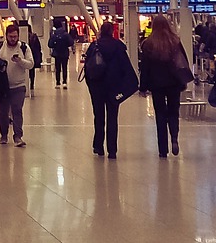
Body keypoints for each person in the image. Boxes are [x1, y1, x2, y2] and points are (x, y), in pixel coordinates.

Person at [82, 21, 136, 158]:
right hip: (113, 87)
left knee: (98, 116)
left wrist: (91, 85)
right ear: (112, 31)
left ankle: (98, 146)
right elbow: (126, 68)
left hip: (97, 86)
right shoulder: (118, 46)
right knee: (112, 117)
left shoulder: (94, 46)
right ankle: (112, 150)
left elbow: (87, 68)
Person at [140, 14, 189, 158]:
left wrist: (143, 87)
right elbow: (183, 61)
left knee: (160, 114)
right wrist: (183, 81)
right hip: (174, 83)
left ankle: (163, 149)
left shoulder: (149, 44)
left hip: (157, 84)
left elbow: (145, 67)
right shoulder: (175, 41)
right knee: (174, 112)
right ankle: (174, 138)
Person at [0, 23, 32, 146]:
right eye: (10, 36)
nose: (13, 39)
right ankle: (3, 135)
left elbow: (31, 64)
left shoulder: (24, 47)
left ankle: (18, 136)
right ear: (6, 36)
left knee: (17, 110)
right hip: (3, 87)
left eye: (15, 36)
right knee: (3, 112)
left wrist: (20, 61)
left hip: (19, 85)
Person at [48, 17, 73, 87]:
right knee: (64, 67)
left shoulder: (54, 35)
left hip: (57, 53)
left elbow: (50, 44)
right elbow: (71, 42)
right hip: (65, 53)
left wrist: (55, 45)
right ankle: (64, 82)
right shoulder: (66, 34)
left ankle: (58, 82)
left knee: (57, 68)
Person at [21, 22, 43, 90]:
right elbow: (38, 47)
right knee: (32, 70)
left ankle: (26, 83)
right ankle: (32, 84)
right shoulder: (34, 37)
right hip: (33, 55)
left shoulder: (22, 37)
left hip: (24, 55)